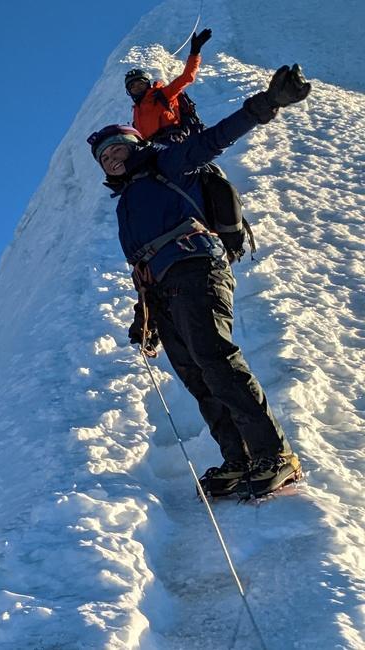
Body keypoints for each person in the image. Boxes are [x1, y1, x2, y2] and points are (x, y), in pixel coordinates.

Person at [87, 62, 312, 499]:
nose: (112, 159)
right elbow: (140, 265)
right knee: (197, 377)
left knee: (216, 360)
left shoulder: (167, 164)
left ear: (136, 146)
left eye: (118, 149)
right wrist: (144, 316)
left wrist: (268, 104)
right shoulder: (126, 203)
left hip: (196, 268)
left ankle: (274, 454)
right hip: (162, 292)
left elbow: (214, 139)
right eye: (105, 158)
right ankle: (240, 458)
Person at [125, 28, 212, 141]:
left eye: (140, 83)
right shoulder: (136, 111)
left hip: (173, 140)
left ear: (147, 84)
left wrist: (194, 53)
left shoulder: (163, 94)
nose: (136, 87)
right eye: (132, 86)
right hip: (154, 149)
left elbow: (187, 77)